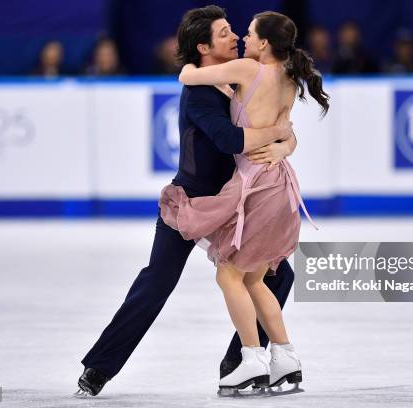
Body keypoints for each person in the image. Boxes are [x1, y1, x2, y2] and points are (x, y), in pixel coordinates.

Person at [75, 5, 297, 397]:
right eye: (226, 33)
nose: (235, 38)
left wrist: (287, 142)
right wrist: (280, 133)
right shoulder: (198, 94)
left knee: (279, 276)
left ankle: (244, 361)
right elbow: (231, 141)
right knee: (157, 282)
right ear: (204, 46)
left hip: (237, 203)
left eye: (235, 31)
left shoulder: (239, 81)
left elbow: (275, 126)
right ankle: (99, 367)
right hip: (192, 204)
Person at [159, 10, 328, 394]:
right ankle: (284, 356)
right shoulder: (288, 76)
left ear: (264, 43)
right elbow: (286, 131)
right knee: (253, 278)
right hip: (279, 183)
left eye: (248, 33)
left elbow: (189, 75)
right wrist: (284, 140)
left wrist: (189, 59)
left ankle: (252, 359)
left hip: (255, 185)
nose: (242, 37)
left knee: (229, 274)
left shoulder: (248, 70)